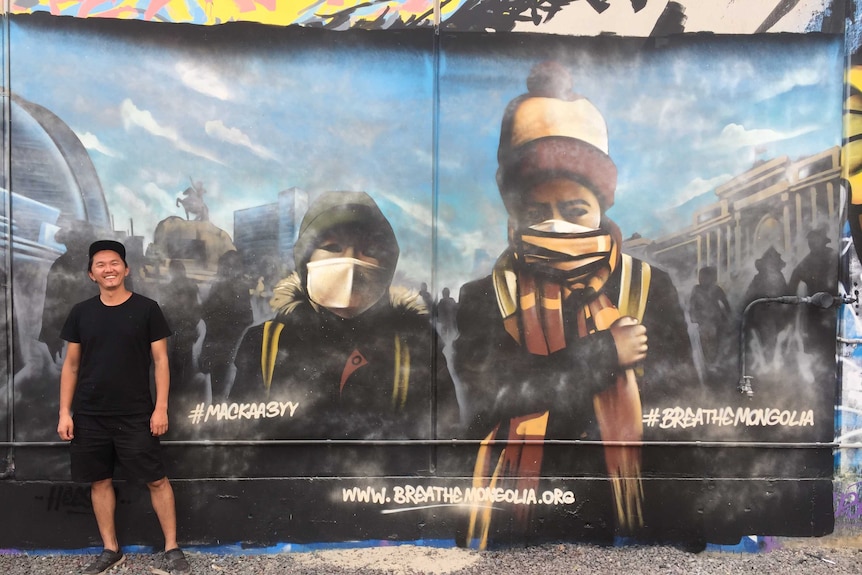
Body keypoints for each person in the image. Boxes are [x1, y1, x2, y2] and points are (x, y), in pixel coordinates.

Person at [453, 61, 697, 547]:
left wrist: (685, 529)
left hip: (629, 517)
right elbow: (491, 403)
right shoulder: (486, 296)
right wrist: (604, 354)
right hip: (518, 518)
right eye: (537, 211)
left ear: (601, 210)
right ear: (515, 215)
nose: (556, 224)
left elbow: (680, 418)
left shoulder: (648, 287)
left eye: (575, 210)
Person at [230, 191, 459, 441]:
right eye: (332, 247)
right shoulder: (264, 345)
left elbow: (444, 443)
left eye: (367, 250)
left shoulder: (419, 347)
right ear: (306, 261)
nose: (350, 261)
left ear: (387, 266)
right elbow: (238, 444)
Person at [56, 240, 190, 575]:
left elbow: (161, 362)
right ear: (91, 274)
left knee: (156, 480)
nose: (109, 269)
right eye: (100, 264)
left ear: (126, 269)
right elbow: (71, 366)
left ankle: (172, 548)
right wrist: (64, 412)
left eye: (114, 263)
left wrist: (160, 409)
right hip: (90, 416)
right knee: (99, 481)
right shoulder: (81, 313)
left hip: (136, 414)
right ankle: (110, 550)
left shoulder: (147, 309)